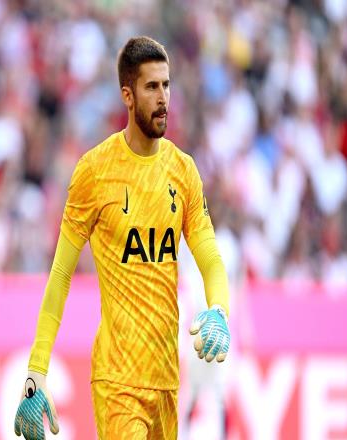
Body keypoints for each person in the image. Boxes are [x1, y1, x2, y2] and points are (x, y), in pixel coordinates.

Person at [14, 36, 231, 440]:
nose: (163, 98)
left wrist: (219, 309)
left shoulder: (183, 171)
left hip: (166, 378)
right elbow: (60, 275)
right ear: (128, 96)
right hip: (118, 380)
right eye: (152, 87)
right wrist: (36, 371)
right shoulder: (95, 172)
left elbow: (211, 258)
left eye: (166, 85)